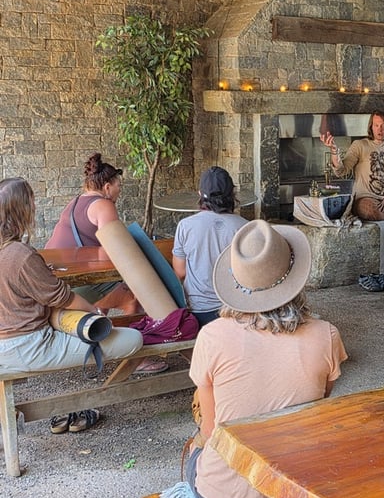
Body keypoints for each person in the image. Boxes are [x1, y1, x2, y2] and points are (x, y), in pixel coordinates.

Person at [160, 220, 347, 498]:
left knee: (193, 452)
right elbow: (318, 401)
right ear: (294, 277)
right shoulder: (326, 335)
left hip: (224, 493)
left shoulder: (211, 336)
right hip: (296, 487)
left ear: (237, 281)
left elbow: (210, 429)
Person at [0, 177, 143, 434]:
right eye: (31, 201)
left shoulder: (18, 255)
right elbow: (63, 298)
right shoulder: (20, 255)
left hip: (7, 346)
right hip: (30, 347)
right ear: (21, 209)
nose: (35, 206)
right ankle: (79, 405)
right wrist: (94, 312)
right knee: (133, 339)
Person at [46, 152, 165, 375]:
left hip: (57, 282)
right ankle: (135, 359)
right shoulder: (103, 205)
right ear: (108, 187)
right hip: (75, 287)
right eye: (119, 185)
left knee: (111, 289)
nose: (120, 190)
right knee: (133, 298)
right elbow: (114, 252)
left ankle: (101, 334)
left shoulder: (74, 203)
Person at [172, 167, 248, 328]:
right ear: (232, 194)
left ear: (200, 194)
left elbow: (180, 272)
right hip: (237, 311)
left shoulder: (185, 226)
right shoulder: (245, 227)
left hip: (199, 312)